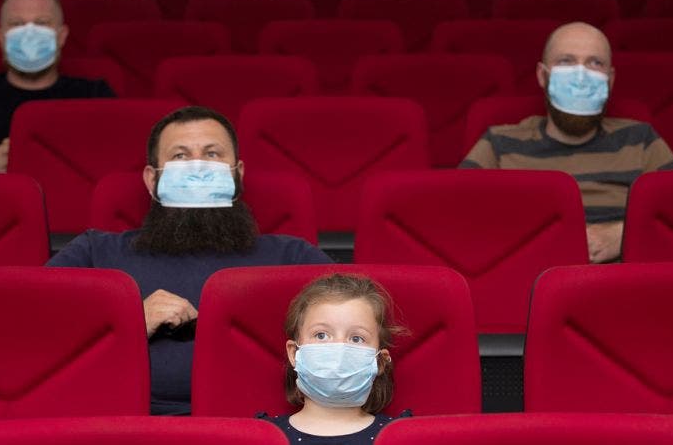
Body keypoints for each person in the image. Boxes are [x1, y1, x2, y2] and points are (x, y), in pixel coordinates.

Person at [47, 105, 332, 415]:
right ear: (151, 179)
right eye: (180, 156)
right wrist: (127, 321)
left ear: (237, 173)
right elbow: (32, 331)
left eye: (212, 154)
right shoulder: (95, 251)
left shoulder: (291, 256)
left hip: (262, 422)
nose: (198, 167)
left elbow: (365, 315)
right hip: (128, 422)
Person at [459, 21, 673, 263]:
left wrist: (622, 234)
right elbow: (458, 216)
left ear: (611, 79)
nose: (581, 75)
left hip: (623, 282)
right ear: (542, 75)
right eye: (566, 61)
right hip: (528, 276)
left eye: (595, 63)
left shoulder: (641, 139)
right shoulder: (498, 143)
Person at [0, 0, 114, 173]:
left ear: (62, 36)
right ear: (1, 38)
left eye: (41, 22)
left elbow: (120, 154)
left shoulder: (95, 96)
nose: (29, 34)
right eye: (17, 24)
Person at [259, 273, 410, 444]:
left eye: (356, 338)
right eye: (321, 335)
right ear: (294, 353)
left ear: (379, 361)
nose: (339, 350)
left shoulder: (401, 437)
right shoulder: (262, 436)